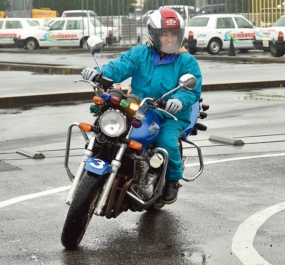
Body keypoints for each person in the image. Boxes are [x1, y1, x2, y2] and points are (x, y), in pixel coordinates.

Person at [81, 8, 202, 204]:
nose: (170, 38)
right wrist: (97, 72)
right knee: (109, 132)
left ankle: (173, 180)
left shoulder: (187, 60)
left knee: (166, 142)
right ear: (154, 35)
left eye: (174, 34)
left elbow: (191, 89)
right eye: (165, 33)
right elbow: (119, 66)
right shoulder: (140, 53)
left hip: (170, 114)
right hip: (139, 108)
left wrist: (179, 100)